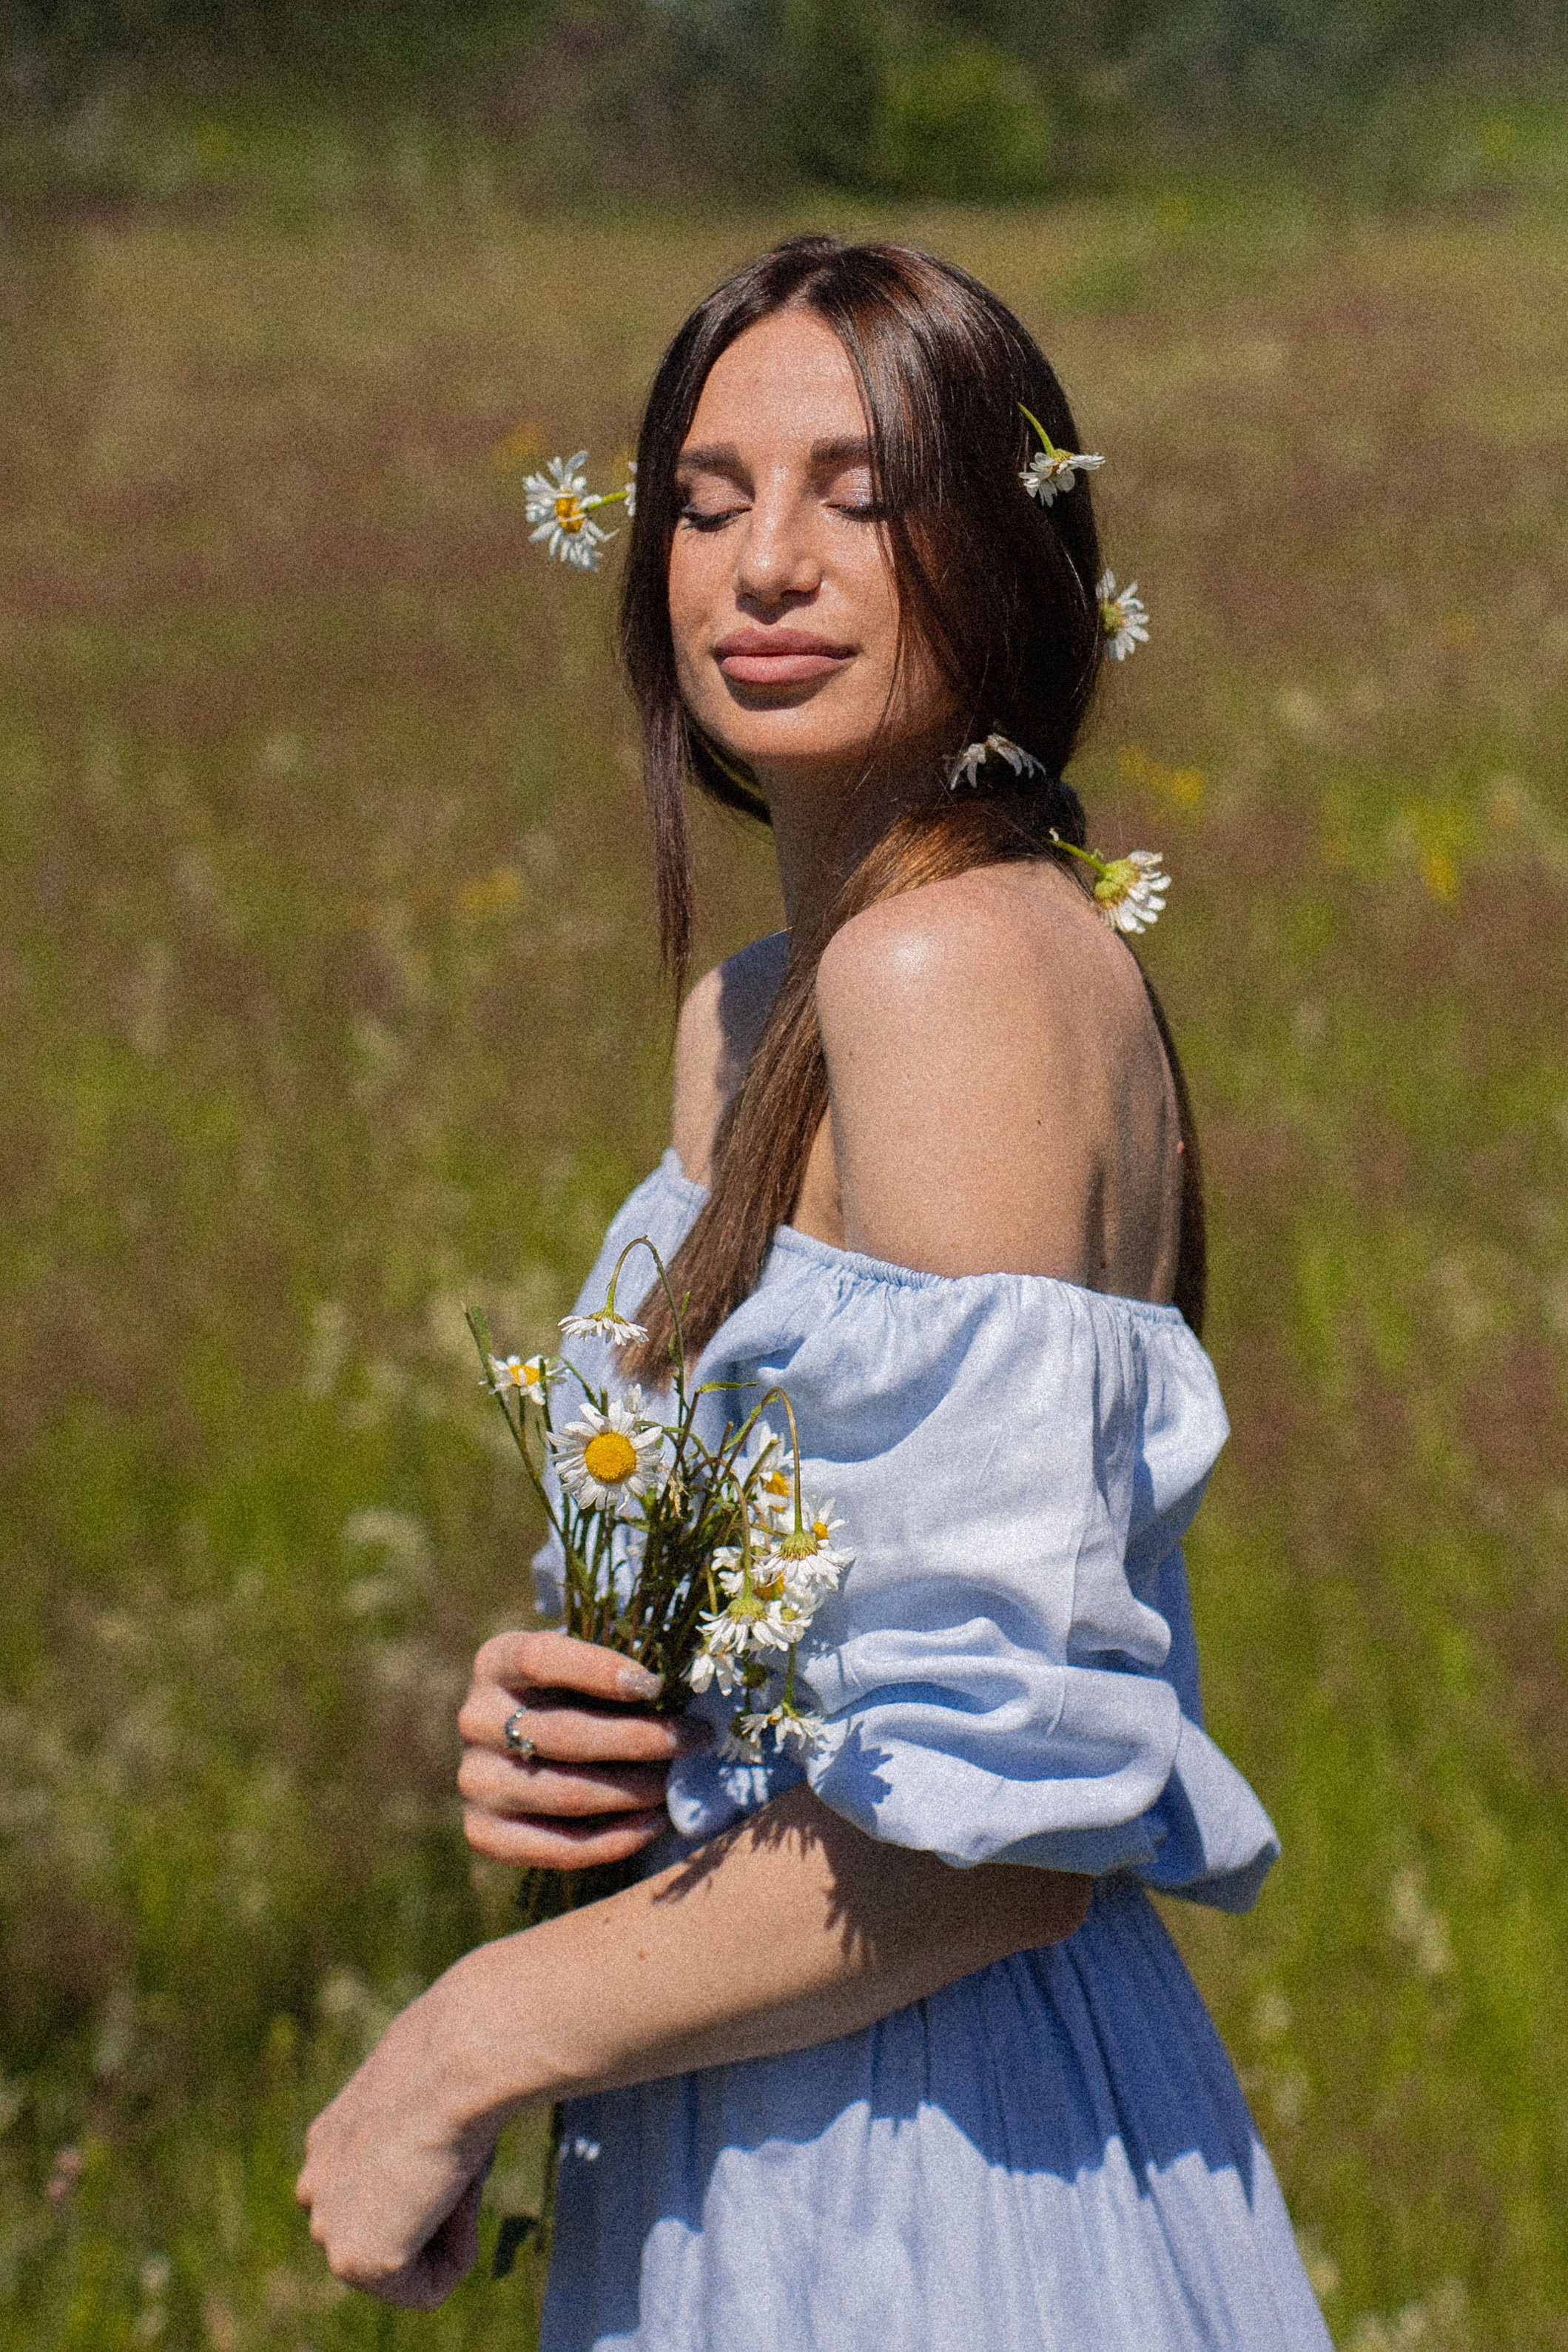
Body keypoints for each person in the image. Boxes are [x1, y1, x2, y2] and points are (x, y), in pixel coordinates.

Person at [297, 237, 1333, 2349]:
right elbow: (795, 1639)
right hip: (739, 2097)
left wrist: (467, 2034)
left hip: (918, 2160)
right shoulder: (754, 1006)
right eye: (704, 499)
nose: (764, 562)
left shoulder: (945, 972)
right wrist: (577, 1724)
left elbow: (1003, 1831)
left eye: (861, 496)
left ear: (1014, 552)